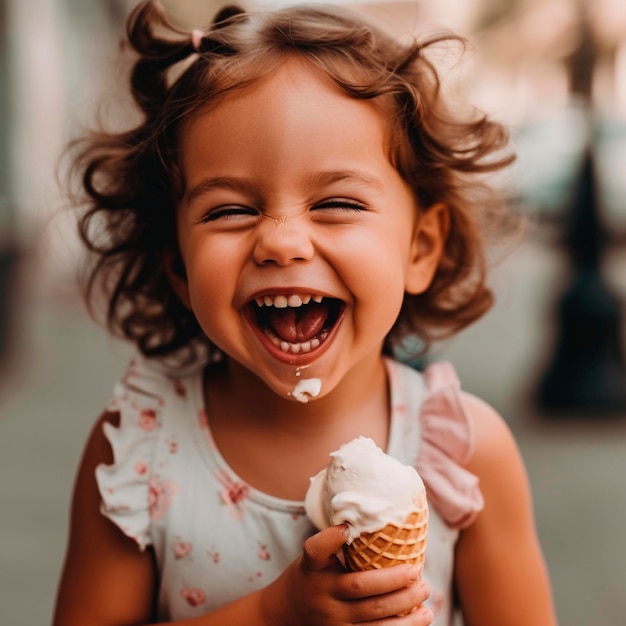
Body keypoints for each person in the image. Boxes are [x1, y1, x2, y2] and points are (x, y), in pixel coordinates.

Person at [53, 1, 558, 624]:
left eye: (337, 202)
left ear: (419, 248)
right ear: (180, 269)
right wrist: (271, 613)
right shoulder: (137, 450)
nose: (282, 242)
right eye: (230, 210)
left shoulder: (466, 453)